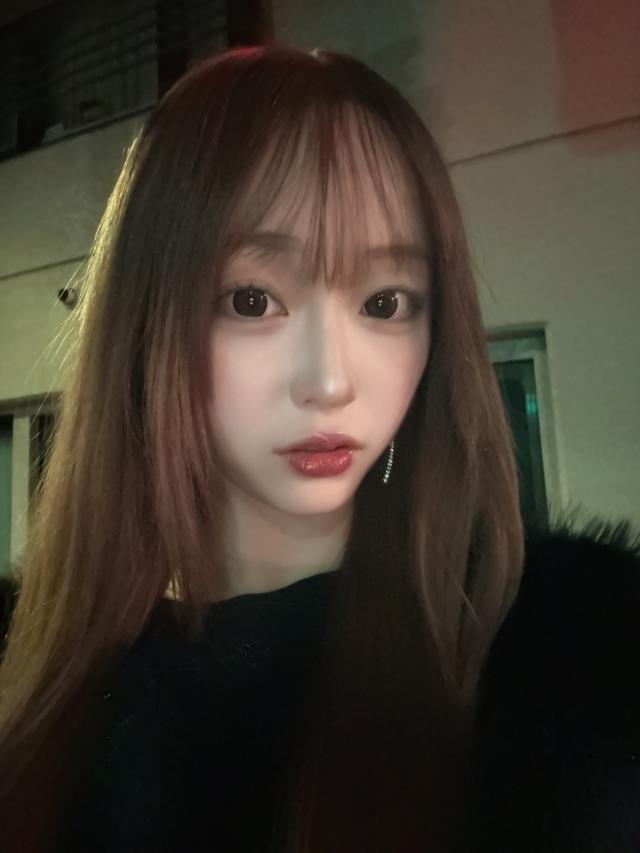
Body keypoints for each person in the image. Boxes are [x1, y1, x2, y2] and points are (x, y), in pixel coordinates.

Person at [0, 44, 638, 853]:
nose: (331, 381)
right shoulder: (34, 679)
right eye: (253, 300)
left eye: (385, 302)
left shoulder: (569, 664)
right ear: (147, 319)